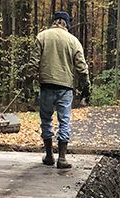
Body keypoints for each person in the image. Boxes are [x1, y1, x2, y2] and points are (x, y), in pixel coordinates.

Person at [33, 11, 90, 170]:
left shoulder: (42, 36)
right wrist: (86, 87)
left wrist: (30, 82)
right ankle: (62, 158)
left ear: (55, 21)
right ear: (66, 23)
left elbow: (33, 62)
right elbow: (82, 67)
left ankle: (49, 155)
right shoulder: (73, 41)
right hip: (65, 87)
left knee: (46, 120)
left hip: (46, 85)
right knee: (64, 121)